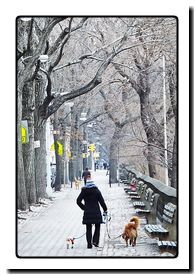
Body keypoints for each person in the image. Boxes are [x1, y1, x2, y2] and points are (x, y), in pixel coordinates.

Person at [76, 177, 107, 248]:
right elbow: (102, 202)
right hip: (96, 212)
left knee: (88, 228)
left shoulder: (84, 191)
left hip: (87, 212)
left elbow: (78, 201)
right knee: (97, 227)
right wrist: (105, 210)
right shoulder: (97, 191)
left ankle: (89, 244)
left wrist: (84, 208)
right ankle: (95, 241)